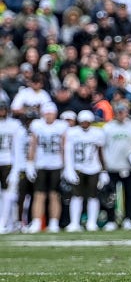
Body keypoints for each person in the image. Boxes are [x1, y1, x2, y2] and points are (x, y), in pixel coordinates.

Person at [102, 102, 131, 230]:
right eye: (118, 111)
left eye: (123, 111)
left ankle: (130, 219)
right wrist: (103, 167)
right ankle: (111, 220)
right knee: (110, 196)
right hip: (112, 166)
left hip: (129, 167)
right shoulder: (108, 127)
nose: (121, 114)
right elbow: (103, 148)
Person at [25, 102, 68, 233]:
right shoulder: (37, 125)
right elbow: (33, 144)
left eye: (51, 113)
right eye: (47, 113)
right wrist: (30, 163)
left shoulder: (61, 126)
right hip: (41, 165)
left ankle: (54, 223)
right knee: (39, 195)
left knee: (54, 195)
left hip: (56, 165)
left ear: (55, 113)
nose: (49, 115)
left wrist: (66, 166)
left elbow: (64, 146)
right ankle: (37, 222)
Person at [63, 110, 109, 232]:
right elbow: (68, 152)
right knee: (76, 195)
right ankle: (74, 223)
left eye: (87, 122)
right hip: (78, 167)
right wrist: (69, 169)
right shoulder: (72, 133)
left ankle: (92, 222)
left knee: (93, 196)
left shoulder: (97, 133)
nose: (85, 124)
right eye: (83, 122)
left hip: (93, 168)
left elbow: (101, 152)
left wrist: (104, 171)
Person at [0, 100, 27, 234]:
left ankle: (5, 222)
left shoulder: (14, 125)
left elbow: (18, 148)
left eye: (3, 109)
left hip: (8, 162)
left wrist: (16, 168)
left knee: (9, 194)